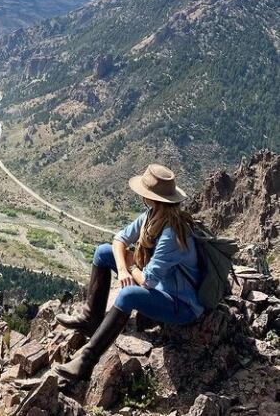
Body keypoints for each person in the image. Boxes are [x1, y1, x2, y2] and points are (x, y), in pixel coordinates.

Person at [55, 163, 203, 382]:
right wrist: (124, 269)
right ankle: (90, 318)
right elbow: (119, 239)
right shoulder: (152, 216)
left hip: (181, 305)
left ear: (151, 198)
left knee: (127, 295)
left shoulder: (173, 234)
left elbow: (148, 282)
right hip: (161, 289)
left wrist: (132, 267)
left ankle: (86, 361)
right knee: (103, 252)